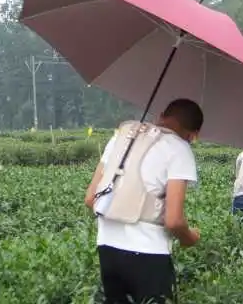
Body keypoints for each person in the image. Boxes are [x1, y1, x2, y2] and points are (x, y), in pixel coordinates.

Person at [84, 98, 204, 304]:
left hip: (107, 248)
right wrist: (190, 237)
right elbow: (174, 221)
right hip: (148, 253)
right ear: (193, 135)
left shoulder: (120, 139)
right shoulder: (179, 148)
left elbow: (90, 199)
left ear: (161, 117)